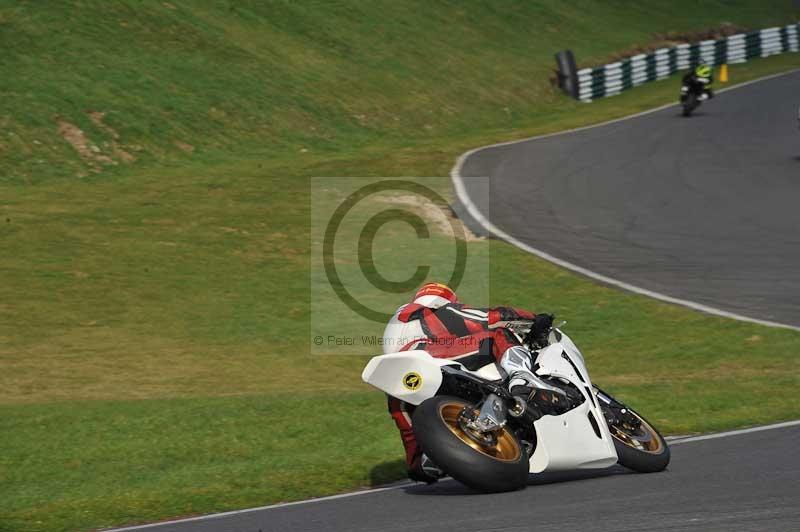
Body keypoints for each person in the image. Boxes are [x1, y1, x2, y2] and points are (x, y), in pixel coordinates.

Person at [382, 282, 553, 483]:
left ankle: (422, 460)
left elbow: (407, 427)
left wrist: (414, 463)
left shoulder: (400, 320)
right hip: (429, 355)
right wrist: (535, 320)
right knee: (495, 334)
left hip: (403, 375)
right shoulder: (434, 309)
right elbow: (491, 317)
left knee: (403, 418)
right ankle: (522, 376)